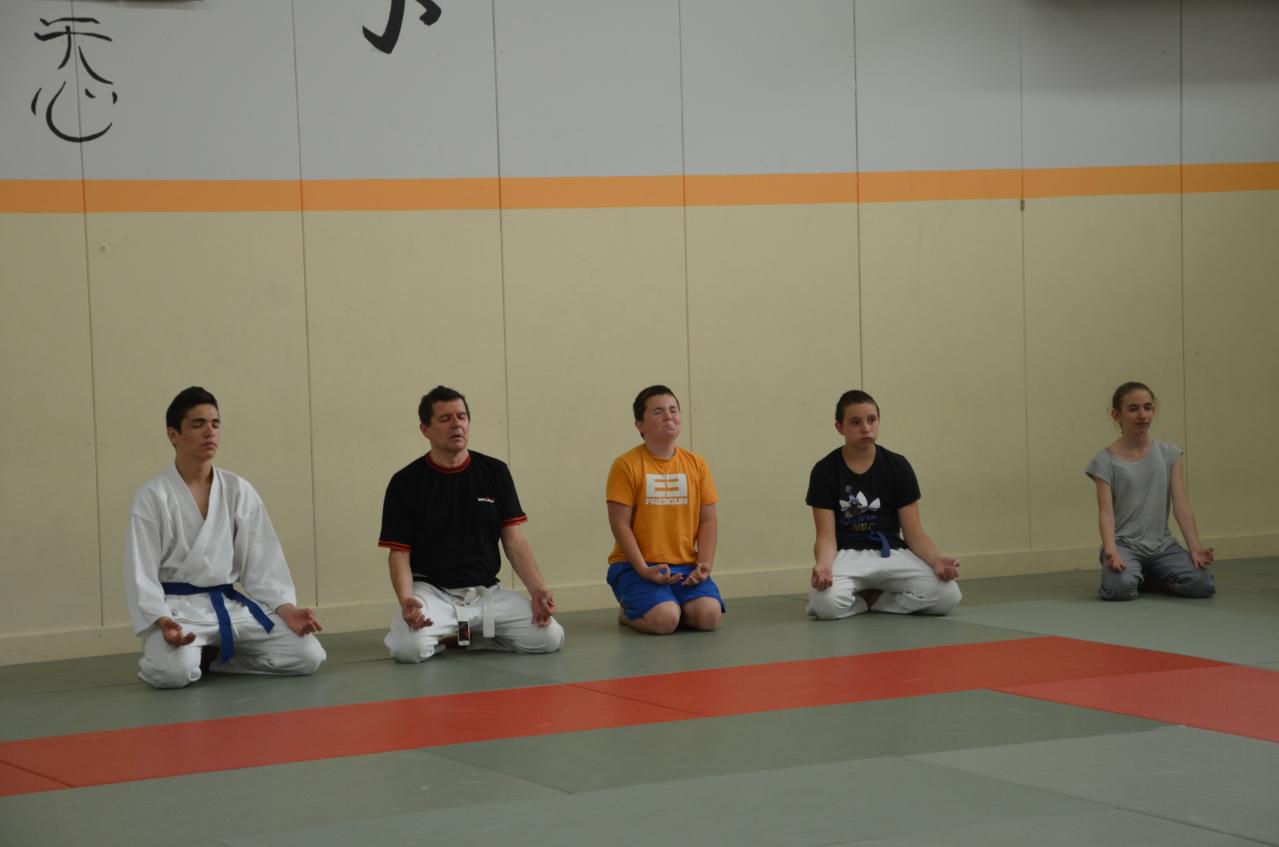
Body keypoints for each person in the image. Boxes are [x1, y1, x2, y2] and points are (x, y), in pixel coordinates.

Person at [123, 387, 326, 689]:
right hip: (177, 610)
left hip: (230, 606)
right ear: (173, 434)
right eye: (198, 424)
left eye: (215, 423)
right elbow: (140, 573)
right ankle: (187, 657)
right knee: (173, 673)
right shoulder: (152, 496)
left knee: (307, 655)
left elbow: (263, 563)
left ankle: (213, 659)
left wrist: (287, 609)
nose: (210, 432)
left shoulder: (238, 490)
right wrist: (161, 620)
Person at [378, 386, 564, 662]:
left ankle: (469, 637)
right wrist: (407, 600)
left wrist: (538, 590)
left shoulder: (495, 472)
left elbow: (514, 541)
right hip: (434, 594)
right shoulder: (405, 482)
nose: (457, 425)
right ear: (425, 429)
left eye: (462, 417)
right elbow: (399, 553)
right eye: (445, 419)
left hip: (486, 593)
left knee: (549, 638)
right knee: (408, 649)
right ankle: (449, 633)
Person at [807, 390, 961, 619]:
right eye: (855, 422)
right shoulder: (824, 471)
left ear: (879, 421)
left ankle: (878, 600)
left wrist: (936, 560)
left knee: (948, 595)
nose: (866, 428)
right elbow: (825, 536)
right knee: (824, 604)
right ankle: (861, 601)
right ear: (839, 427)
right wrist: (824, 565)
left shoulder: (898, 466)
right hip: (847, 554)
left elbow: (915, 533)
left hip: (891, 552)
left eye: (872, 420)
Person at [605, 385, 723, 635]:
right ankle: (629, 613)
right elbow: (619, 523)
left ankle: (673, 605)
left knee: (709, 616)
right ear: (639, 425)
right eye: (658, 412)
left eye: (673, 410)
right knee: (664, 620)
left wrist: (704, 564)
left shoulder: (697, 464)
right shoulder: (626, 465)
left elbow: (708, 520)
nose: (669, 416)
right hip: (635, 566)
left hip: (684, 566)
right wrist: (643, 569)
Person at [1086, 381, 1215, 601]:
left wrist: (1194, 548)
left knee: (1202, 585)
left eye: (1148, 407)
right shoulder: (1104, 461)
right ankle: (1130, 577)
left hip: (1163, 547)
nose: (1142, 415)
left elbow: (1181, 505)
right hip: (1124, 545)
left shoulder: (1170, 454)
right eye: (1133, 409)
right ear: (1116, 415)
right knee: (1119, 588)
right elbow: (1106, 513)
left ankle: (1146, 580)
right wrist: (1111, 550)